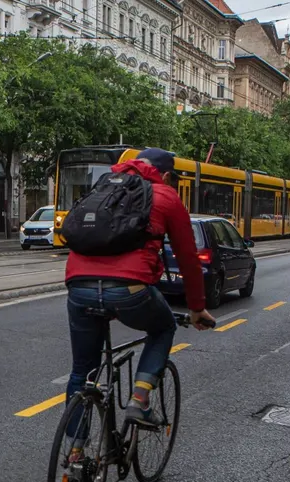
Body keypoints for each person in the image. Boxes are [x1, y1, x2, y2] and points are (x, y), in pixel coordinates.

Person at [63, 148, 214, 439]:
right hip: (130, 290)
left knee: (82, 373)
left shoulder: (104, 185)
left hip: (79, 286)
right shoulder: (166, 196)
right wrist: (196, 307)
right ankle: (140, 400)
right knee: (164, 326)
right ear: (166, 175)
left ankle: (76, 452)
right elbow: (187, 260)